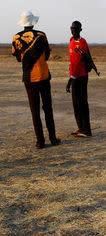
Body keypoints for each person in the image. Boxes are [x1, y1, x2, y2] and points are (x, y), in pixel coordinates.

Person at [12, 11, 60, 149]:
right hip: (43, 76)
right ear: (33, 22)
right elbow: (46, 56)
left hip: (29, 78)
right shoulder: (41, 35)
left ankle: (40, 142)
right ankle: (53, 139)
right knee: (48, 109)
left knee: (35, 111)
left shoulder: (16, 37)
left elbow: (18, 58)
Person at [66, 21, 92, 138]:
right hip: (74, 76)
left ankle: (86, 130)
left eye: (76, 29)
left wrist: (70, 79)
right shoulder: (71, 40)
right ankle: (81, 127)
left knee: (81, 103)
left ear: (80, 30)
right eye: (72, 28)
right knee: (76, 104)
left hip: (80, 77)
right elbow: (72, 62)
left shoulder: (82, 43)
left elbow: (77, 63)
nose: (73, 30)